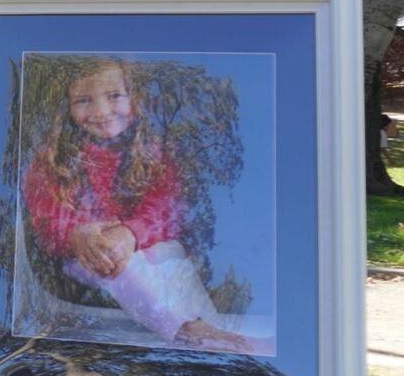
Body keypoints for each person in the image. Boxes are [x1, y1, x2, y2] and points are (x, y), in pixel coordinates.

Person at [21, 57, 257, 352]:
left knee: (170, 252)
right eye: (83, 100)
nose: (101, 111)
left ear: (135, 97)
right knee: (119, 264)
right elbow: (46, 216)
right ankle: (186, 330)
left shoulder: (152, 150)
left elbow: (168, 206)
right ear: (65, 107)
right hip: (85, 259)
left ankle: (214, 328)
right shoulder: (51, 159)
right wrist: (77, 235)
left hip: (141, 249)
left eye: (114, 96)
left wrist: (132, 233)